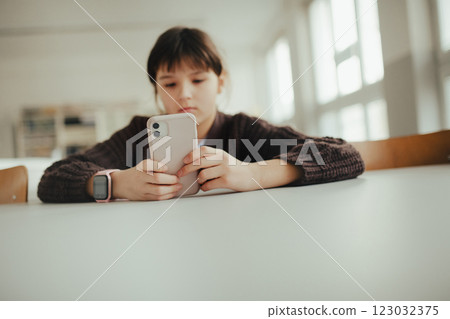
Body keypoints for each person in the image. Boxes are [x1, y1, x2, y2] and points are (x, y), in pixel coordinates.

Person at [38, 26, 364, 203]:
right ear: (155, 89)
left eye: (197, 79)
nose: (184, 94)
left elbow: (344, 154)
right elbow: (53, 178)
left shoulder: (244, 130)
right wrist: (116, 183)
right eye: (169, 83)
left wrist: (254, 174)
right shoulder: (138, 133)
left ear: (220, 81)